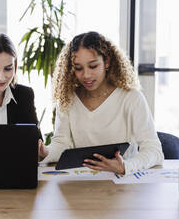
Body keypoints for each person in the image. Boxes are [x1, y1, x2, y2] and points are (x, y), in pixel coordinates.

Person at [38, 31, 164, 175]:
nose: (86, 75)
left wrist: (126, 166)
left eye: (93, 66)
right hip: (83, 180)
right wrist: (45, 152)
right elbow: (61, 143)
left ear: (107, 62)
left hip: (125, 182)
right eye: (78, 68)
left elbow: (154, 150)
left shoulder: (131, 98)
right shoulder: (68, 99)